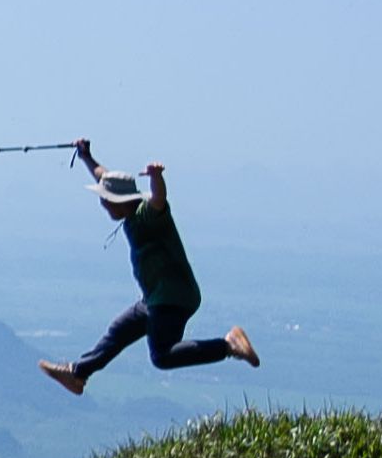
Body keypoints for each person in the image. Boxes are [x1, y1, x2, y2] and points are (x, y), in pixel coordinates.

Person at [44, 153, 262, 392]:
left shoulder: (145, 215)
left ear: (120, 200)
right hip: (155, 297)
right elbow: (103, 175)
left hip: (172, 297)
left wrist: (156, 177)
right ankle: (78, 374)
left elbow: (159, 199)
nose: (103, 204)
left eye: (106, 199)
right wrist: (86, 156)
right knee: (120, 330)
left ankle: (228, 345)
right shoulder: (131, 212)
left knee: (162, 356)